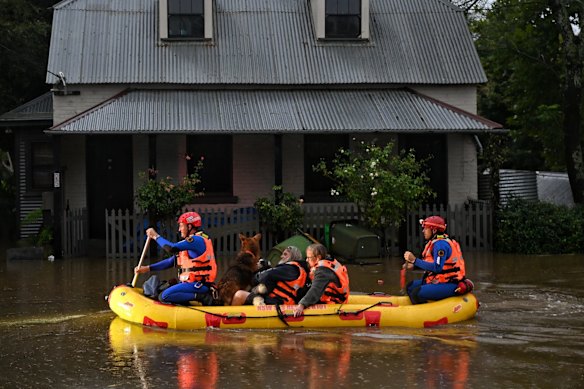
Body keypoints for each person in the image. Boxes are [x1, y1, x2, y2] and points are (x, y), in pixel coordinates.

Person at [134, 211, 218, 305]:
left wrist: (155, 236)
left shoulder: (196, 240)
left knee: (164, 296)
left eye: (181, 226)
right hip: (190, 283)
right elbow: (172, 261)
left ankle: (202, 296)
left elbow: (171, 248)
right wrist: (147, 268)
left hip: (199, 285)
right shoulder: (190, 243)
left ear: (189, 226)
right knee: (163, 289)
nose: (179, 229)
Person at [403, 215, 469, 304]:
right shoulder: (435, 242)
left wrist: (415, 260)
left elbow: (437, 268)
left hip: (450, 283)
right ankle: (424, 305)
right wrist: (414, 266)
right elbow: (431, 264)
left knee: (416, 293)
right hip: (438, 280)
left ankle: (423, 314)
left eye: (426, 229)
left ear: (434, 230)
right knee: (410, 287)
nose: (423, 231)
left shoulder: (441, 245)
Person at [232, 245, 310, 306]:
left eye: (285, 254)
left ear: (293, 256)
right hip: (277, 301)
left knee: (239, 295)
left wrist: (255, 276)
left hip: (276, 303)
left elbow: (266, 275)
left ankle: (231, 321)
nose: (281, 256)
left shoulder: (290, 268)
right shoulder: (294, 269)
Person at [293, 243, 350, 317]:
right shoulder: (329, 262)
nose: (306, 260)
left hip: (333, 302)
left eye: (309, 257)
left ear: (318, 258)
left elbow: (315, 290)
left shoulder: (323, 271)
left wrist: (301, 305)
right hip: (337, 297)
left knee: (299, 296)